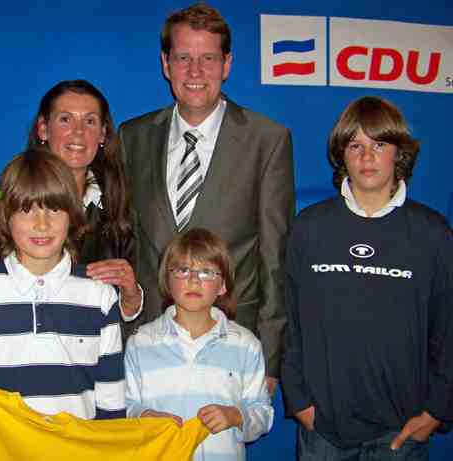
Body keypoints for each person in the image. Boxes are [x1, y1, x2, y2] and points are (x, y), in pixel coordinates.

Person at [117, 3, 294, 392]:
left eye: (208, 58)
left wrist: (270, 357)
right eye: (183, 58)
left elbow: (275, 259)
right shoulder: (132, 137)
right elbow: (125, 241)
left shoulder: (268, 140)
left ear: (227, 64)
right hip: (147, 343)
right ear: (166, 64)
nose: (195, 72)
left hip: (232, 343)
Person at [281, 96, 453, 460]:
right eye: (354, 145)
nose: (366, 156)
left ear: (399, 153)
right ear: (341, 154)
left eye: (379, 144)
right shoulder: (309, 229)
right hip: (323, 430)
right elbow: (288, 319)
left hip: (402, 431)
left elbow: (449, 328)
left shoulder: (433, 234)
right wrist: (298, 401)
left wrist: (437, 411)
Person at [0, 80, 141, 332]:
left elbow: (128, 320)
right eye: (65, 119)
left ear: (103, 134)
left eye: (89, 121)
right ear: (43, 129)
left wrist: (132, 298)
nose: (78, 132)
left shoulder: (120, 208)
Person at [0, 150, 126, 419]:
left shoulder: (99, 296)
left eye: (54, 208)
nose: (42, 224)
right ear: (6, 217)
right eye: (27, 209)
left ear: (73, 215)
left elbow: (111, 400)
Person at [124, 228, 273, 461]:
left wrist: (236, 416)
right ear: (167, 280)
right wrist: (145, 415)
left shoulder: (246, 344)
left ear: (223, 285)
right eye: (183, 270)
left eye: (206, 272)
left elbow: (262, 413)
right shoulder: (141, 342)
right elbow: (125, 406)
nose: (193, 280)